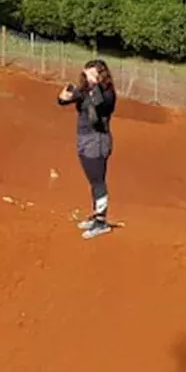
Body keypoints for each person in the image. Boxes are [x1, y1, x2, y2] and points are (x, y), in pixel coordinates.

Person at [57, 60, 118, 239]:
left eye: (93, 74)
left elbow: (100, 104)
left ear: (101, 75)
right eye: (87, 74)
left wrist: (94, 84)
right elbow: (62, 101)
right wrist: (64, 96)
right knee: (93, 180)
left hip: (98, 140)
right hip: (84, 138)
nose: (88, 78)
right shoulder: (84, 91)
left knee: (98, 181)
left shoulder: (108, 93)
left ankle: (102, 222)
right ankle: (96, 215)